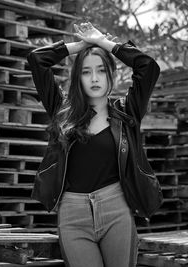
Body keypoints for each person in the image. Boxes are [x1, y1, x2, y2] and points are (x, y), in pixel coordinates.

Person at [27, 22, 160, 267]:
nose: (95, 78)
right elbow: (37, 60)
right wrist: (79, 46)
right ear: (78, 77)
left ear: (111, 74)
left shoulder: (127, 112)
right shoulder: (62, 109)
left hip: (116, 209)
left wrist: (105, 43)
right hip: (73, 213)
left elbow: (148, 67)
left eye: (101, 70)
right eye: (86, 72)